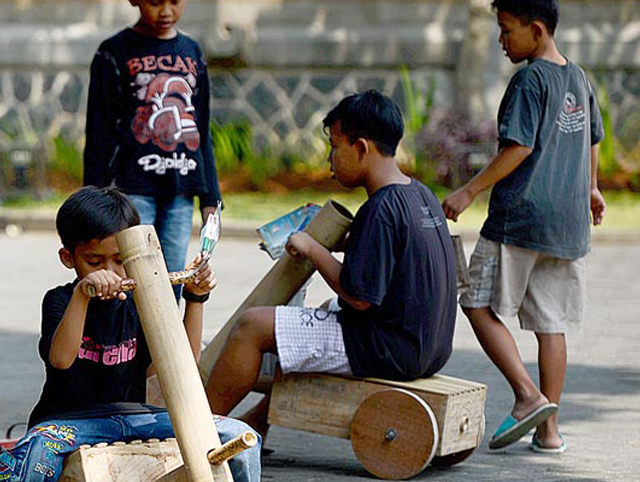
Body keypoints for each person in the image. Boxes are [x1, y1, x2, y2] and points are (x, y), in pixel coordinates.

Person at [0, 187, 305, 482]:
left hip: (134, 418)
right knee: (30, 457)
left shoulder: (144, 300)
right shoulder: (61, 300)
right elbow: (62, 359)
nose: (111, 272)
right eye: (95, 261)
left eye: (120, 259)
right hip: (70, 421)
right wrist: (84, 294)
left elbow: (181, 362)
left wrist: (195, 298)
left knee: (239, 438)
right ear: (70, 259)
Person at [205, 91, 458, 444]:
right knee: (309, 322)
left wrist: (313, 248)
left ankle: (197, 432)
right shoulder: (419, 195)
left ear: (362, 148)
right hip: (430, 348)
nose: (329, 160)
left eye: (335, 148)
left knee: (253, 325)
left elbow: (359, 298)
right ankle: (256, 424)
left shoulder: (380, 209)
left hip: (388, 349)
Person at [442, 0, 603, 454]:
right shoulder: (579, 76)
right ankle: (549, 431)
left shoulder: (529, 79)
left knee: (474, 301)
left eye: (506, 30)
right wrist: (591, 189)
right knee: (551, 324)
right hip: (568, 224)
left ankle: (528, 396)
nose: (501, 40)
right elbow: (592, 137)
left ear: (536, 30)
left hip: (522, 218)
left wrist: (468, 192)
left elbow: (519, 148)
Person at [83, 0, 221, 292]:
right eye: (156, 2)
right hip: (131, 191)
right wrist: (91, 199)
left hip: (180, 190)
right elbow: (98, 131)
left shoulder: (193, 53)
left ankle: (166, 340)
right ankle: (126, 340)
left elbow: (202, 128)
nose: (166, 11)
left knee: (171, 282)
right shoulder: (113, 52)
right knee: (133, 281)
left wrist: (210, 199)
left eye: (175, 1)